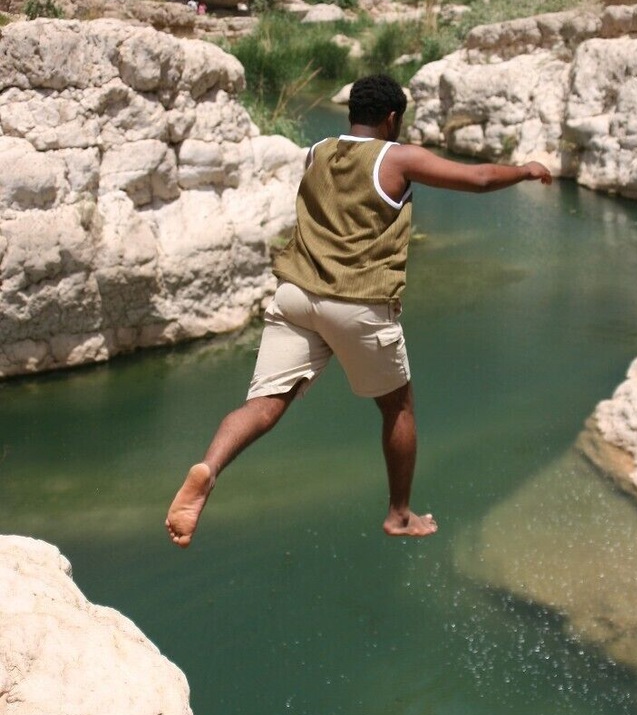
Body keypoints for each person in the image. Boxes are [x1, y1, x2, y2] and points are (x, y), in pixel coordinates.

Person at [165, 74, 552, 547]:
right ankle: (399, 514)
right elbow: (479, 178)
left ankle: (209, 468)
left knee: (264, 404)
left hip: (295, 297)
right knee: (397, 406)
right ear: (393, 118)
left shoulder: (317, 151)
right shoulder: (398, 157)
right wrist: (526, 170)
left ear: (352, 113)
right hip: (357, 303)